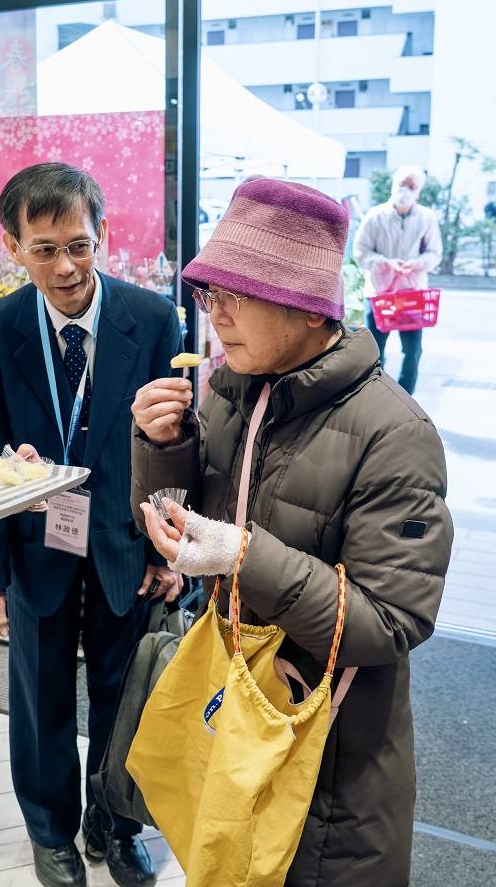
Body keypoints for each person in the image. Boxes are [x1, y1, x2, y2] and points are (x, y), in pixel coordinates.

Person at [131, 176, 452, 884]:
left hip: (331, 748)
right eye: (210, 295)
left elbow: (391, 622)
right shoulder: (226, 392)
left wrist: (243, 556)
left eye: (237, 296)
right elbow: (170, 528)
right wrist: (160, 447)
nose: (216, 317)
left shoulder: (394, 432)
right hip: (227, 712)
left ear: (310, 309)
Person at [0, 162, 181, 887]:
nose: (65, 266)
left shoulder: (150, 318)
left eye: (79, 245)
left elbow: (175, 441)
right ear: (13, 247)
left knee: (126, 697)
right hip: (34, 546)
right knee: (41, 697)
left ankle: (114, 824)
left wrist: (167, 544)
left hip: (126, 541)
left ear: (104, 235)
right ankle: (50, 832)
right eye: (45, 248)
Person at [353, 165, 442, 394]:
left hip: (412, 295)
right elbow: (360, 253)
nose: (405, 190)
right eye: (402, 184)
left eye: (412, 186)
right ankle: (372, 394)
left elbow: (434, 253)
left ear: (419, 191)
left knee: (413, 351)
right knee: (373, 350)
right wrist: (386, 262)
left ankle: (405, 396)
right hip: (379, 294)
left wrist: (417, 264)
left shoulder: (427, 218)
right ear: (394, 185)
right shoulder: (375, 216)